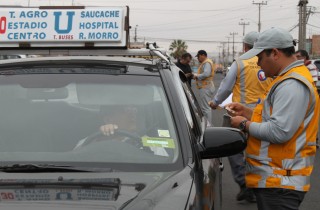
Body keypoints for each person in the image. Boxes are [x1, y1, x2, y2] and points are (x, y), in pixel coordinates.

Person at [225, 27, 319, 210]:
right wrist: (248, 112)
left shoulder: (292, 84)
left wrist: (243, 124)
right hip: (278, 180)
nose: (258, 64)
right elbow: (279, 120)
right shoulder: (286, 79)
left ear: (275, 54)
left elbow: (279, 131)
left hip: (281, 182)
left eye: (260, 58)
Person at [209, 31, 273, 203]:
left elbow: (226, 87)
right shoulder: (268, 63)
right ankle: (259, 184)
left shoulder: (240, 62)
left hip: (239, 114)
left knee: (233, 148)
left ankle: (244, 183)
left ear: (245, 46)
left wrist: (215, 102)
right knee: (260, 150)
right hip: (263, 115)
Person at [74, 104, 169, 157]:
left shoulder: (150, 141)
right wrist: (100, 139)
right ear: (108, 119)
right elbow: (75, 159)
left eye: (134, 109)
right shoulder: (91, 140)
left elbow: (166, 167)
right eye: (126, 109)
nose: (133, 113)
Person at [193, 50, 215, 125]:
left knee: (206, 108)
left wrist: (196, 76)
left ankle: (208, 126)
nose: (198, 58)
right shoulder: (206, 62)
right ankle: (207, 125)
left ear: (203, 55)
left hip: (206, 87)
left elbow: (206, 74)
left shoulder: (207, 63)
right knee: (205, 108)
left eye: (198, 56)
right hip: (206, 87)